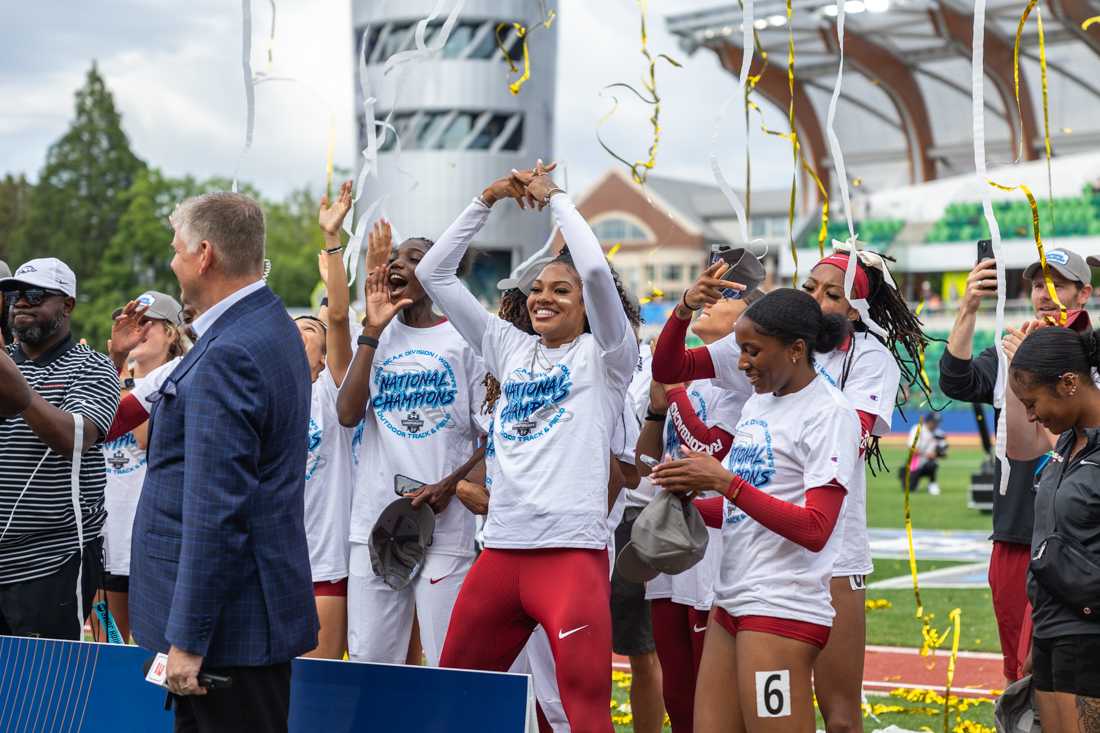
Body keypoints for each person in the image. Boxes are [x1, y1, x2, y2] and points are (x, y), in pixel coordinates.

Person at [416, 162, 640, 732]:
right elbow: (433, 272)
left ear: (588, 304)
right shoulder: (506, 347)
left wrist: (556, 198)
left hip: (570, 556)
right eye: (537, 289)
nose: (544, 298)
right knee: (452, 700)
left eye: (559, 291)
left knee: (584, 711)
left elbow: (592, 266)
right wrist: (487, 198)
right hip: (503, 554)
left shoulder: (608, 356)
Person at [129, 192, 316, 733]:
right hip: (244, 619)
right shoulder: (268, 323)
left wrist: (187, 639)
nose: (171, 261)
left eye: (175, 249)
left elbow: (216, 510)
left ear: (204, 254)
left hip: (226, 634)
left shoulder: (229, 352)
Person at [650, 288, 859, 733]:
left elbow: (817, 527)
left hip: (782, 604)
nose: (742, 363)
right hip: (731, 598)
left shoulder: (828, 413)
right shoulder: (758, 403)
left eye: (752, 351)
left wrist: (723, 482)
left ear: (797, 350)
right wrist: (690, 497)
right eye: (741, 349)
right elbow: (742, 510)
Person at [336, 214, 486, 667]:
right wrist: (372, 331)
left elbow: (491, 434)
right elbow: (347, 414)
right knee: (369, 660)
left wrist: (450, 483)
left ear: (440, 274)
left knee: (445, 658)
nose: (399, 263)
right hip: (376, 525)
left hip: (445, 527)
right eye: (396, 257)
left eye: (415, 258)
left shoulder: (467, 340)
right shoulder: (378, 335)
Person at [940, 247, 1093, 684]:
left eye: (1058, 284)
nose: (1045, 294)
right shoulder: (1010, 346)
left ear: (1084, 293)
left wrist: (1035, 365)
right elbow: (956, 379)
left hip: (1077, 536)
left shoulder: (1091, 354)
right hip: (1015, 529)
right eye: (1039, 284)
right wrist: (969, 306)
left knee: (1062, 670)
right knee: (1017, 672)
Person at [636, 291, 755, 733]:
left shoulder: (740, 383)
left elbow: (707, 448)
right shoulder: (690, 378)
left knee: (710, 682)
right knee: (677, 684)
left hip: (711, 544)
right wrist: (655, 409)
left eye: (726, 299)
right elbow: (644, 461)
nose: (712, 302)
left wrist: (677, 393)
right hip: (667, 534)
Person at [0, 257, 120, 640]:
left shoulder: (92, 367)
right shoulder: (7, 363)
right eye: (15, 294)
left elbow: (76, 437)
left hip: (51, 563)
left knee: (40, 689)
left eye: (35, 295)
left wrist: (22, 396)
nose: (21, 302)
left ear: (67, 304)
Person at [1008, 326, 1100, 732]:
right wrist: (1037, 635)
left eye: (1033, 402)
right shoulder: (1066, 445)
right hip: (1051, 632)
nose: (1031, 415)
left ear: (1068, 383)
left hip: (1090, 637)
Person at [96, 291, 188, 643]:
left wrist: (120, 380)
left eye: (147, 323)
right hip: (108, 537)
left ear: (171, 333)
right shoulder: (114, 375)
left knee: (154, 653)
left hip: (152, 541)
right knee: (108, 648)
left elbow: (143, 434)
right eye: (132, 322)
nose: (138, 330)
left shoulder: (178, 372)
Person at [296, 180, 356, 659]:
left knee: (314, 694)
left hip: (323, 566)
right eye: (295, 325)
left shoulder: (329, 389)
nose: (304, 330)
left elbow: (337, 315)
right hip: (266, 567)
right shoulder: (261, 394)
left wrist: (332, 243)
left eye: (311, 330)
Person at [903, 413, 945, 495]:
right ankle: (911, 479)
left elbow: (943, 452)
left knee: (932, 464)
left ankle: (932, 483)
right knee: (909, 489)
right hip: (915, 463)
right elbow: (912, 448)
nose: (936, 424)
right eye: (934, 422)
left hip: (929, 463)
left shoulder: (939, 433)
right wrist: (926, 454)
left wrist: (939, 453)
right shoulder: (917, 429)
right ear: (928, 421)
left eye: (937, 422)